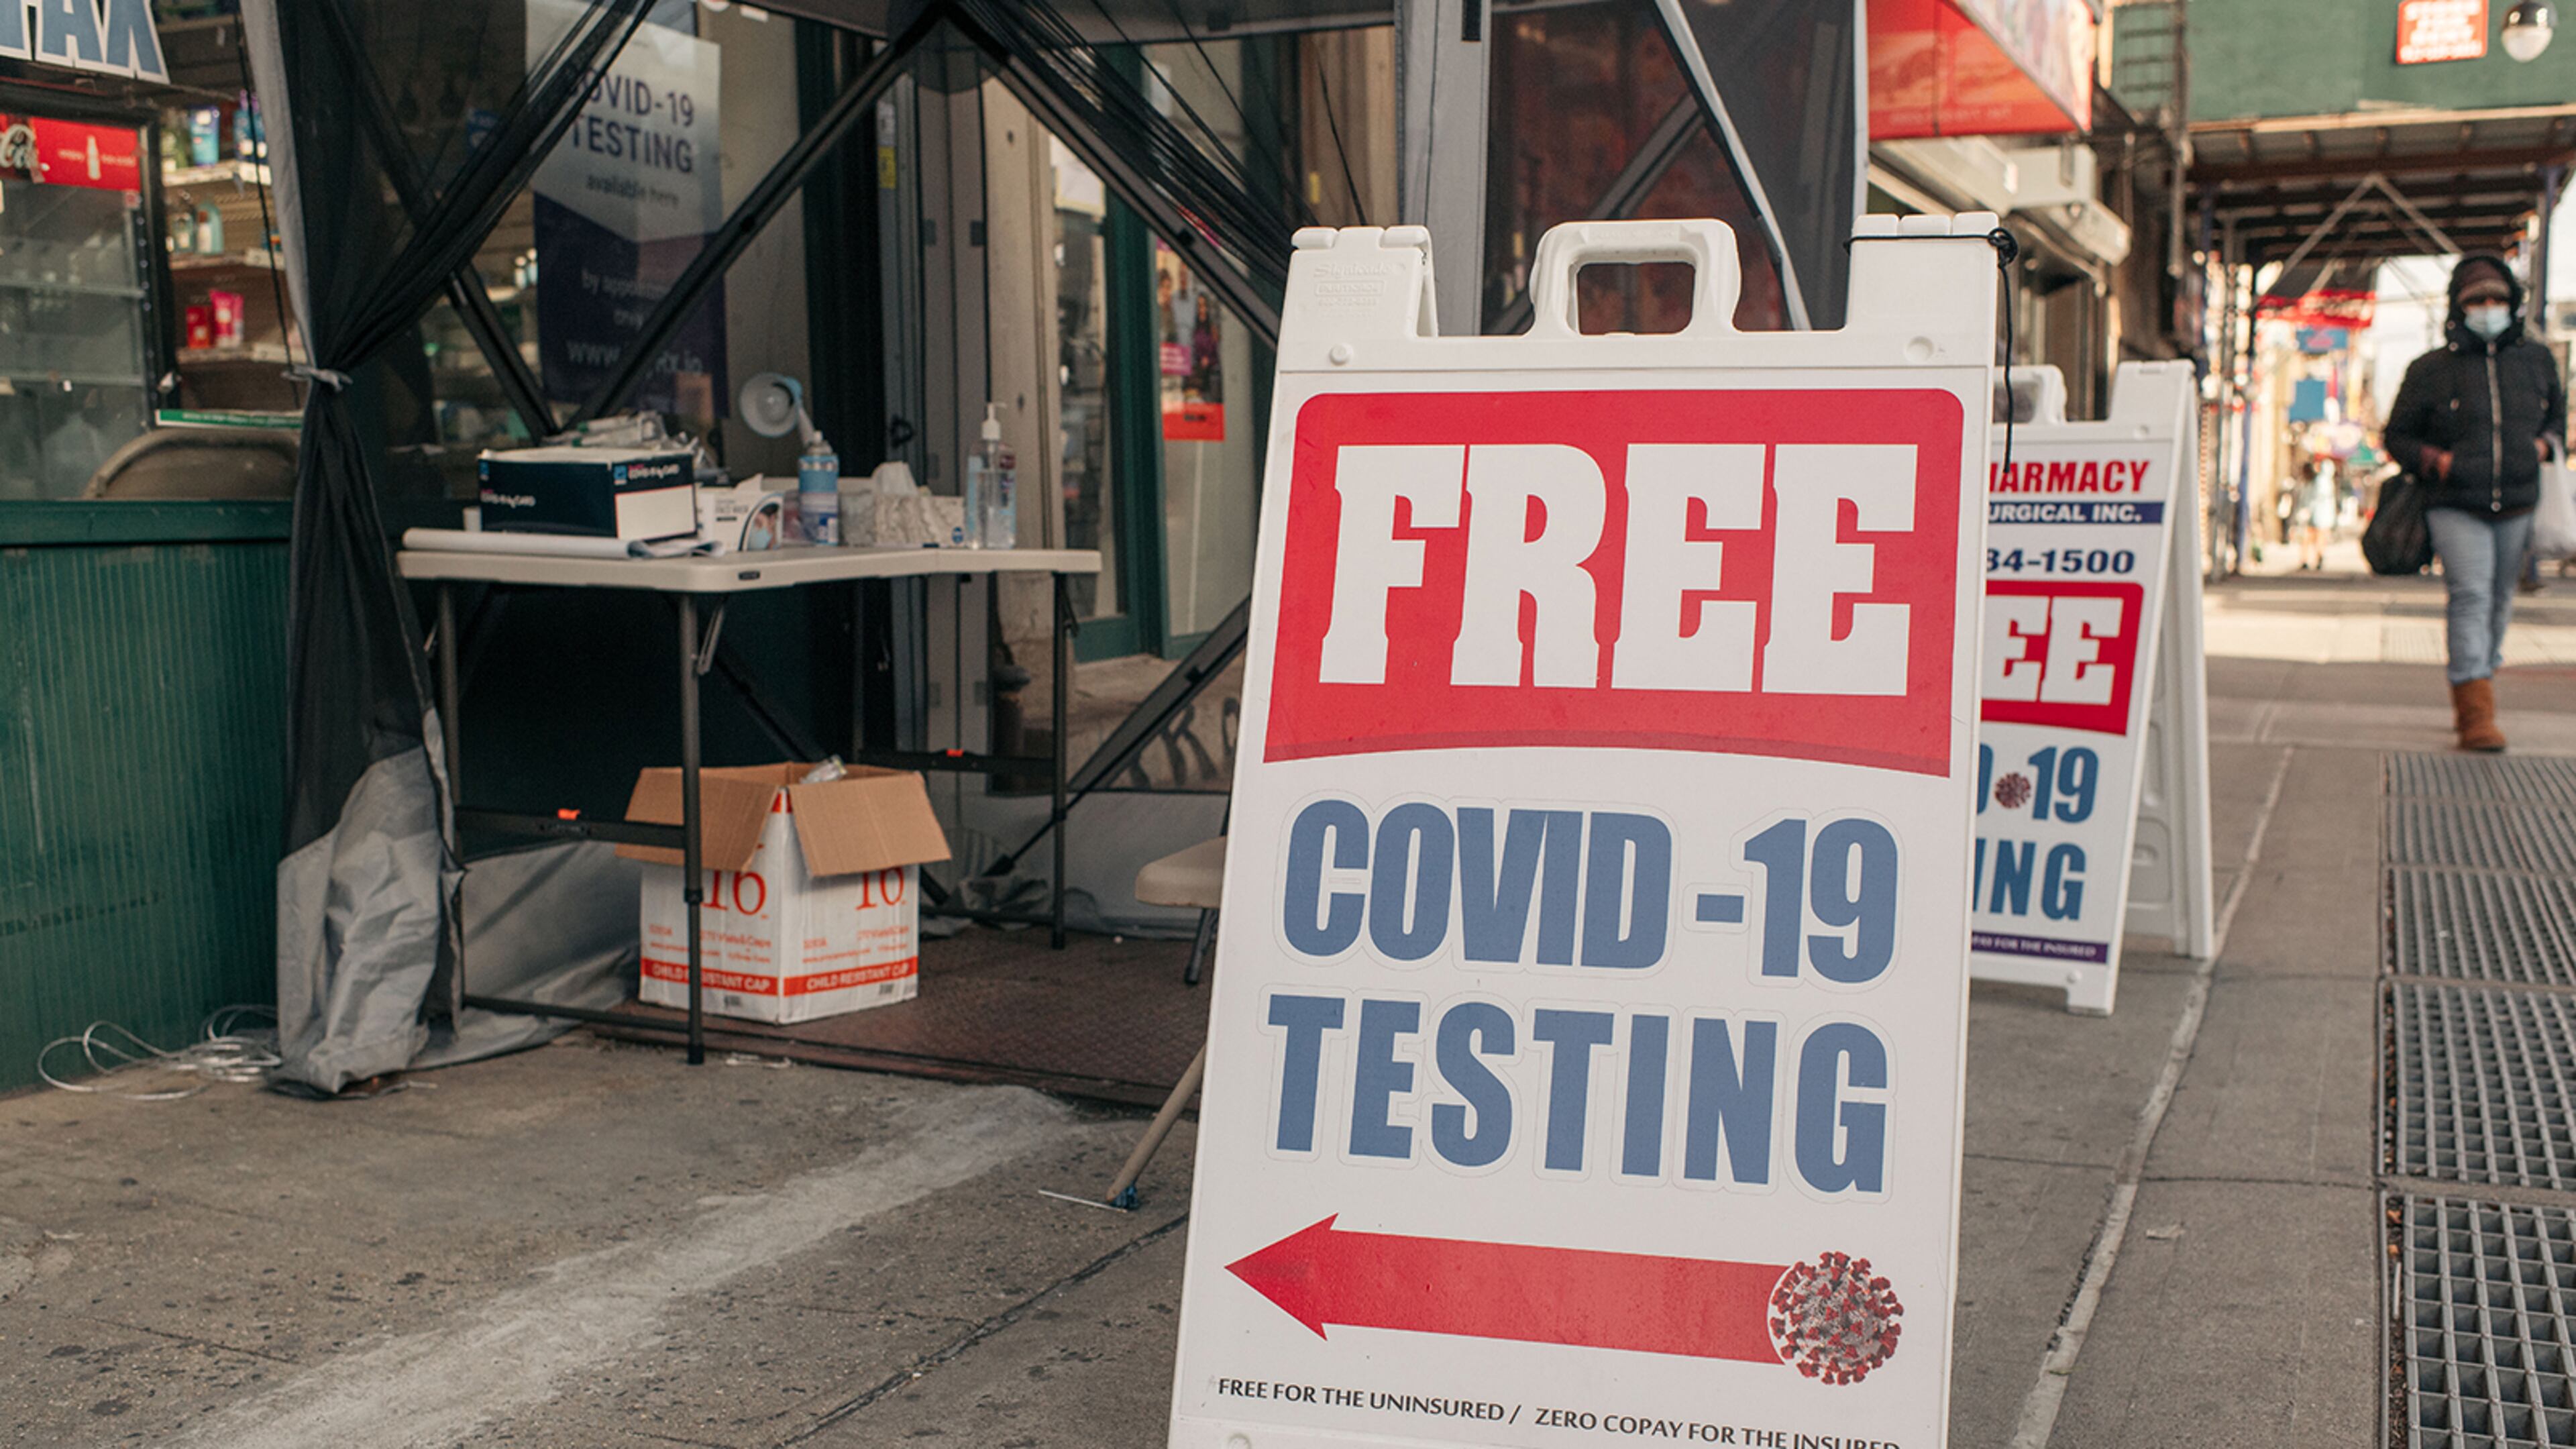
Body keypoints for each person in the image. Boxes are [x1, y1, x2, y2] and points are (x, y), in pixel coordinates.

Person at [2383, 254, 2567, 752]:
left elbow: (2559, 418)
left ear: (2513, 304)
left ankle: (2481, 674)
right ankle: (2475, 712)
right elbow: (2396, 435)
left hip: (2518, 501)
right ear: (2458, 307)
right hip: (2454, 502)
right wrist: (2435, 460)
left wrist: (2542, 446)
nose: (2488, 307)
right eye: (2476, 300)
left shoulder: (2536, 360)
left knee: (2501, 599)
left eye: (2497, 299)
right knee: (2471, 595)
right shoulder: (2430, 370)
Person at [2297, 455, 2338, 570]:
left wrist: (2308, 510)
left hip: (2317, 514)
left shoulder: (2320, 481)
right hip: (2323, 514)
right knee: (2318, 537)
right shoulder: (2326, 481)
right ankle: (2316, 557)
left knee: (2312, 536)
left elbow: (2315, 498)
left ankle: (2310, 558)